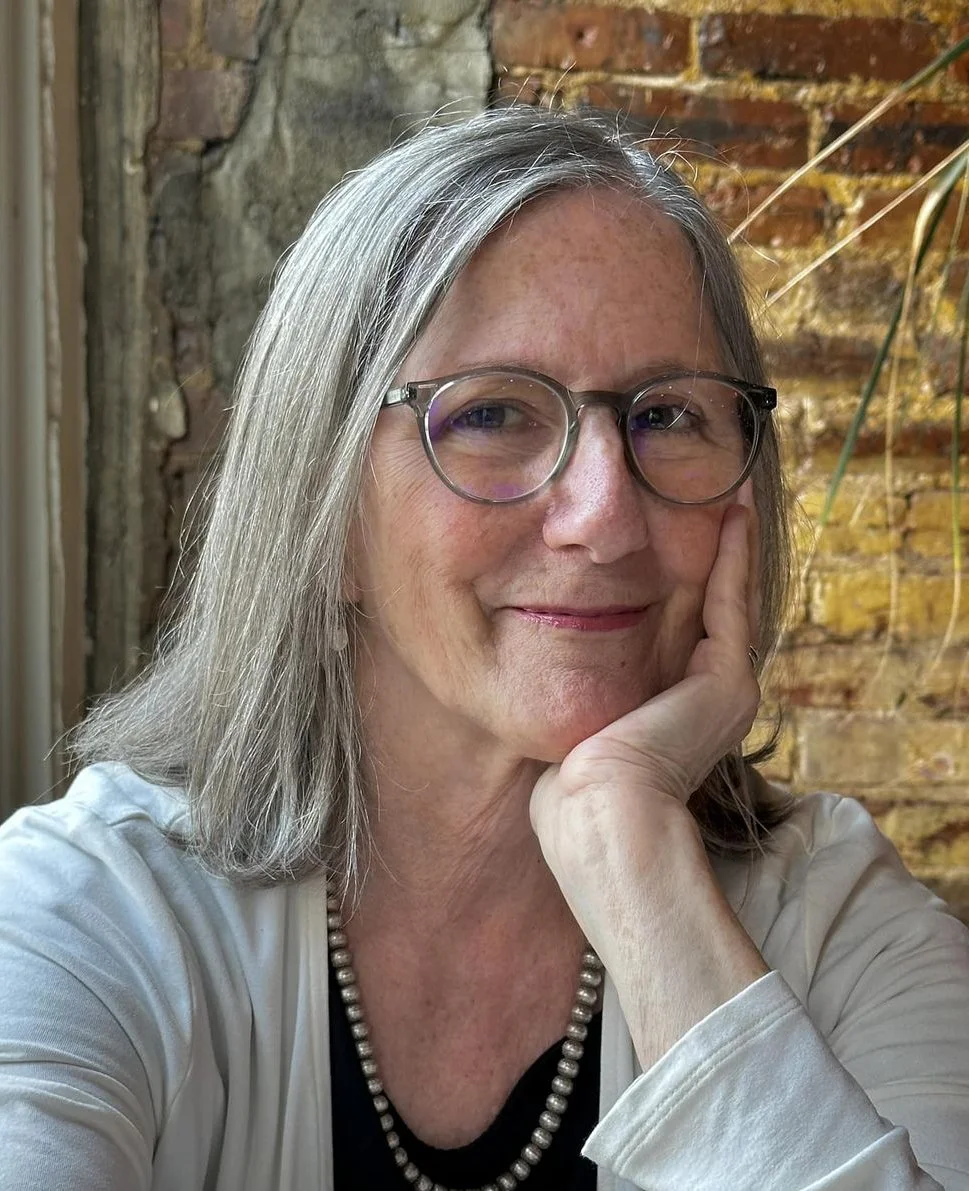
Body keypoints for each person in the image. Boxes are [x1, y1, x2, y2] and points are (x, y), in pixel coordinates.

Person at [1, 105, 968, 1191]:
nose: (603, 516)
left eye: (666, 417)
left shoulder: (839, 929)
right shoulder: (89, 918)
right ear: (324, 507)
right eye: (494, 414)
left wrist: (635, 859)